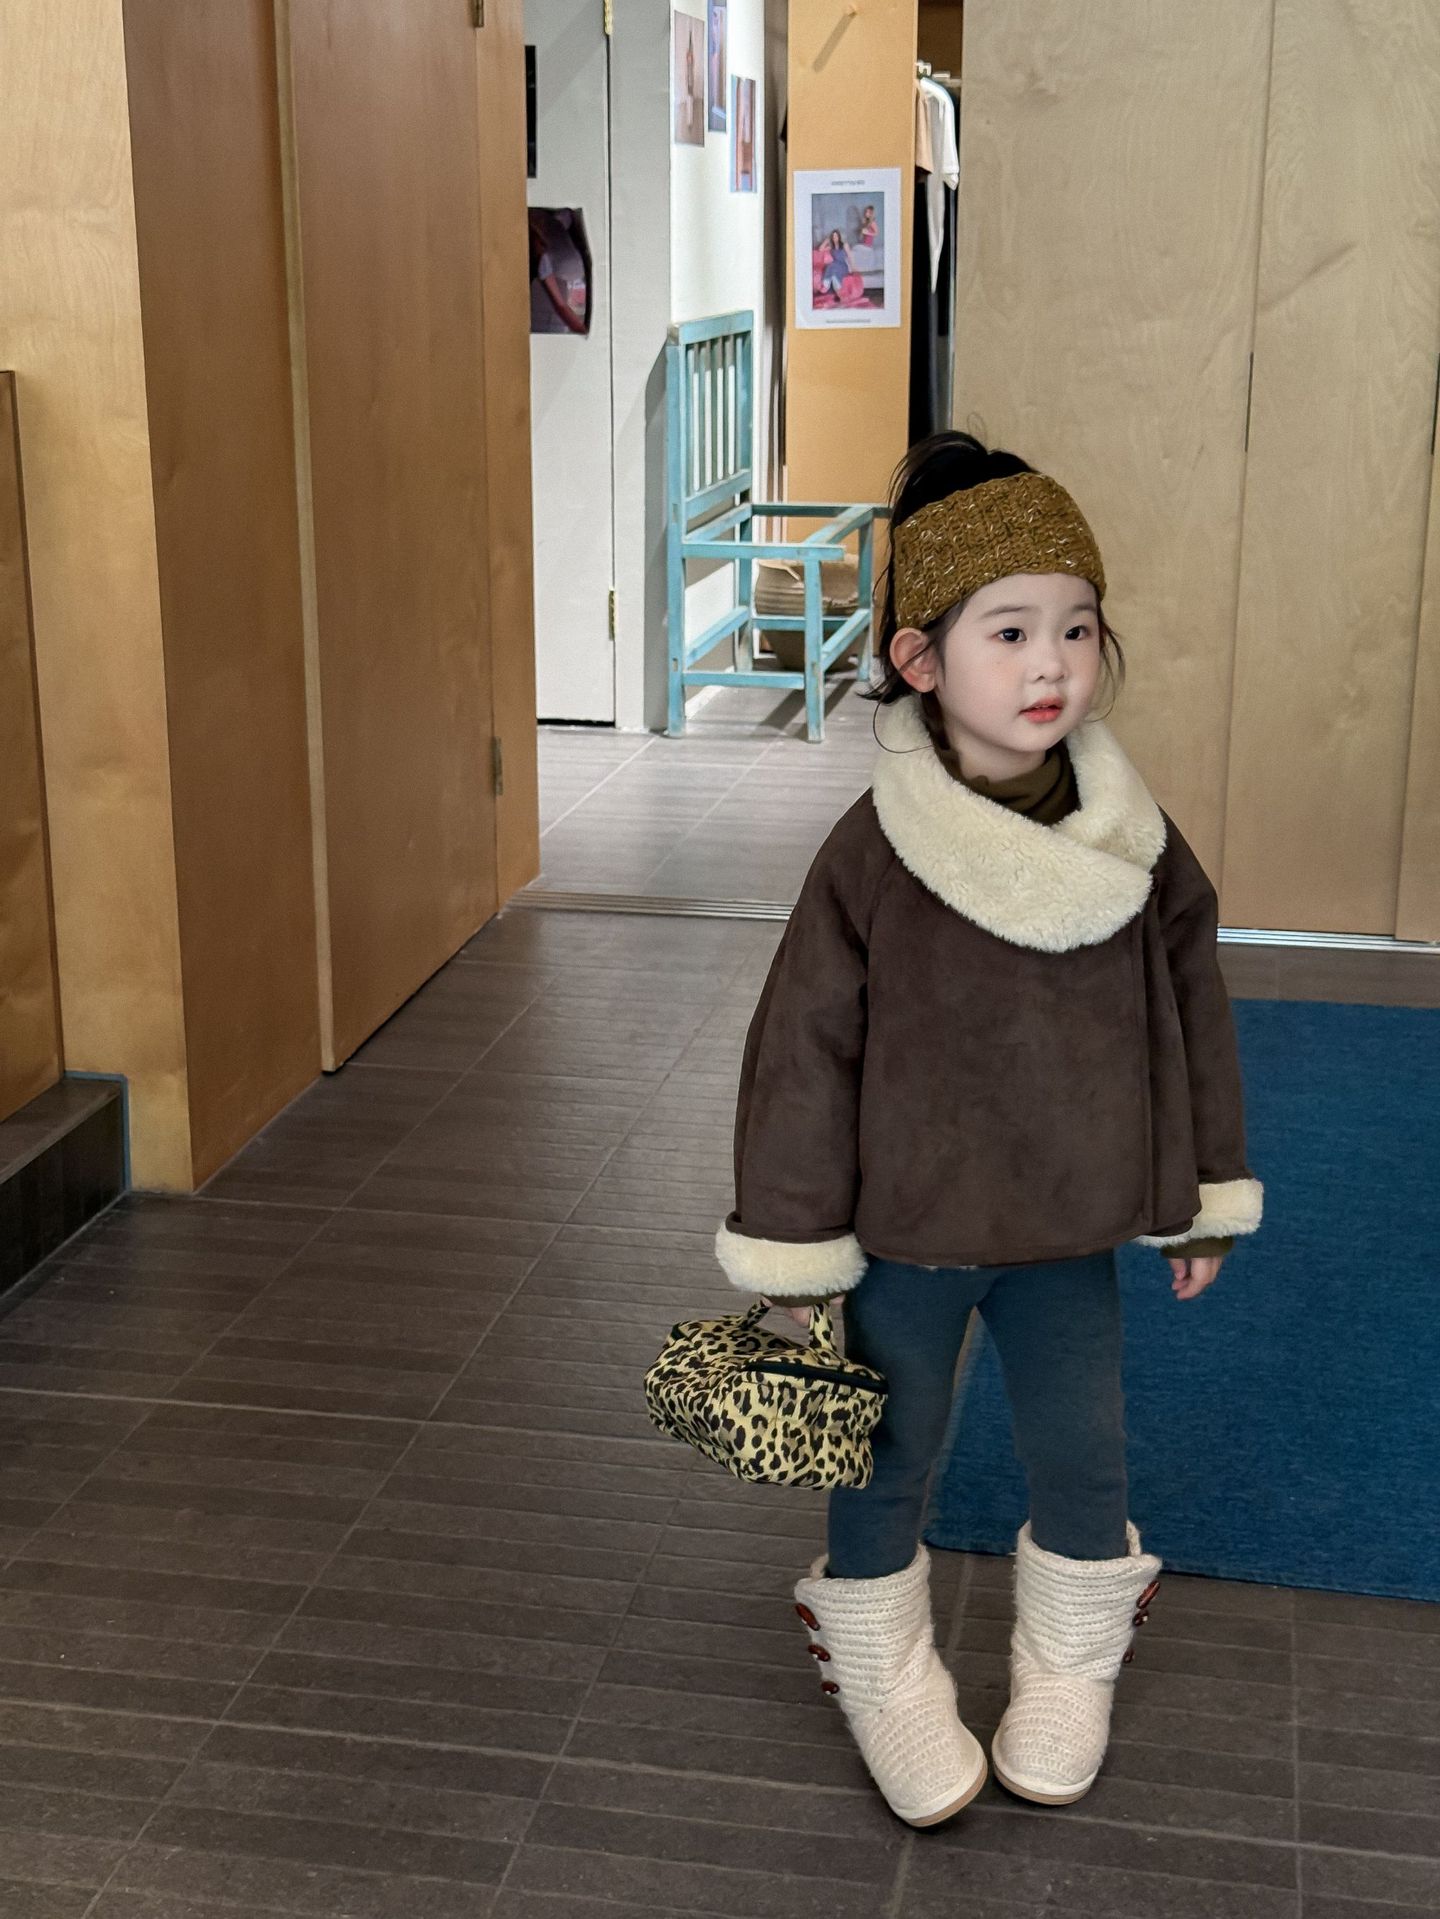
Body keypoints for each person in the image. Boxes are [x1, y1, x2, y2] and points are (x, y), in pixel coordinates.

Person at [714, 431, 1263, 1828]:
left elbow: (1193, 1003)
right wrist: (791, 1246)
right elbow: (800, 1057)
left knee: (1085, 1451)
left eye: (1076, 627)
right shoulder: (871, 851)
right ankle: (879, 1661)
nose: (1051, 664)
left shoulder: (1131, 833)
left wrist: (1203, 1187)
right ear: (919, 658)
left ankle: (1070, 1660)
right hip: (906, 1232)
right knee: (887, 1451)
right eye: (1009, 631)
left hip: (1067, 1227)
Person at [818, 228, 851, 302]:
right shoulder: (831, 247)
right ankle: (837, 292)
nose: (834, 237)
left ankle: (826, 285)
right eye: (833, 236)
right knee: (832, 271)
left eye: (836, 236)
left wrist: (853, 267)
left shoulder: (844, 245)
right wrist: (826, 241)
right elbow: (820, 249)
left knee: (832, 266)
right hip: (834, 266)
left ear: (839, 237)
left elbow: (850, 256)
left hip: (843, 266)